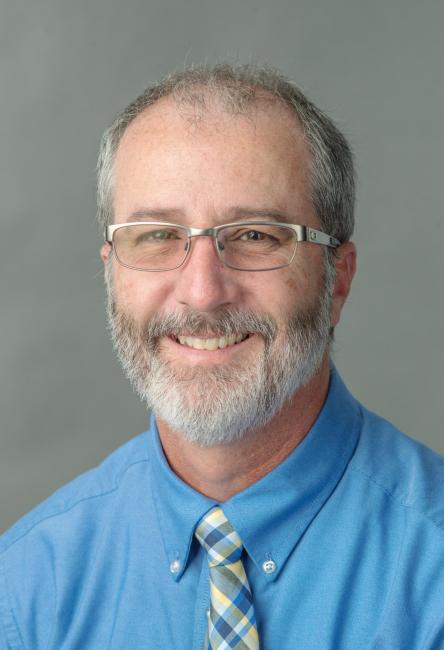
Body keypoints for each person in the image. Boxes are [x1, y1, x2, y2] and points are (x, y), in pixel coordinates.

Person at [1, 64, 444, 650]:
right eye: (157, 235)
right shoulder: (29, 587)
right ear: (111, 272)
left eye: (256, 234)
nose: (203, 292)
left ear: (336, 279)